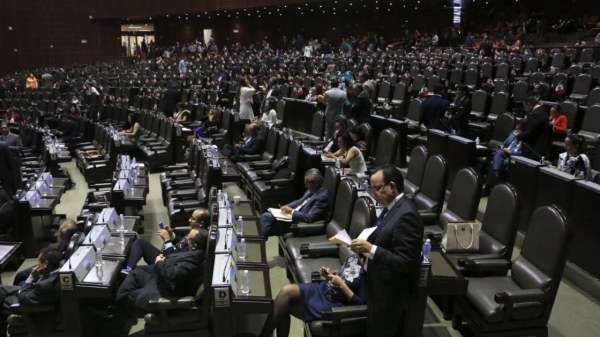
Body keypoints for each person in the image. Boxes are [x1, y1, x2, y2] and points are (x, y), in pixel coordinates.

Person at [349, 165, 423, 337]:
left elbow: (405, 263)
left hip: (390, 295)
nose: (374, 194)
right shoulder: (392, 208)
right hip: (377, 285)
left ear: (391, 186)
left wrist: (371, 249)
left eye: (377, 188)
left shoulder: (407, 215)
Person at [258, 254, 366, 337]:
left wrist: (341, 284)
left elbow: (360, 302)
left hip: (332, 302)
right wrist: (329, 276)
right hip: (321, 288)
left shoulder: (369, 273)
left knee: (285, 306)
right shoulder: (355, 256)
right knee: (286, 291)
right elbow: (344, 276)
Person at [115, 228, 208, 312]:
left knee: (127, 294)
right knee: (136, 273)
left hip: (165, 290)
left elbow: (172, 275)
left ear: (194, 246)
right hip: (159, 277)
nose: (186, 239)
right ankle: (119, 301)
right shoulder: (195, 254)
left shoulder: (195, 259)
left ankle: (118, 309)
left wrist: (159, 262)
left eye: (189, 238)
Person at [121, 208, 211, 274]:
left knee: (138, 271)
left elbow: (178, 258)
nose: (189, 220)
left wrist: (167, 240)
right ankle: (128, 269)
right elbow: (182, 242)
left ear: (201, 223)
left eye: (193, 219)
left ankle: (129, 273)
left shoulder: (199, 239)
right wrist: (171, 235)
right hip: (166, 255)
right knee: (139, 243)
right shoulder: (195, 230)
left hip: (168, 264)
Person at [0, 248, 62, 336]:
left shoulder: (44, 286)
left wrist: (31, 277)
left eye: (38, 261)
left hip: (32, 309)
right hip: (34, 294)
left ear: (45, 264)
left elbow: (22, 298)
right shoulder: (58, 270)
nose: (37, 264)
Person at [259, 168, 329, 238]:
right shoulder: (313, 188)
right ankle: (260, 238)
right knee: (267, 218)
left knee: (266, 217)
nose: (305, 186)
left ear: (316, 183)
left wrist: (291, 211)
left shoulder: (322, 198)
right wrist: (287, 206)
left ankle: (260, 240)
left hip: (297, 222)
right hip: (291, 215)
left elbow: (309, 218)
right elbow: (299, 201)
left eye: (307, 183)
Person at [13, 219, 78, 285]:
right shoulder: (69, 241)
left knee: (20, 278)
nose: (58, 234)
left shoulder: (69, 249)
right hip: (46, 263)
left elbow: (56, 263)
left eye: (60, 232)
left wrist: (41, 265)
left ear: (66, 236)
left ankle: (18, 292)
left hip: (48, 268)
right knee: (19, 275)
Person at [484, 120, 525, 195]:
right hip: (503, 154)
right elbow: (504, 143)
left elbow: (521, 154)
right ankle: (496, 175)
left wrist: (509, 152)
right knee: (499, 152)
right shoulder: (513, 134)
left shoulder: (526, 140)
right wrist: (501, 146)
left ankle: (488, 187)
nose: (516, 131)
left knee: (496, 163)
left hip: (512, 158)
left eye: (519, 130)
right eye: (516, 129)